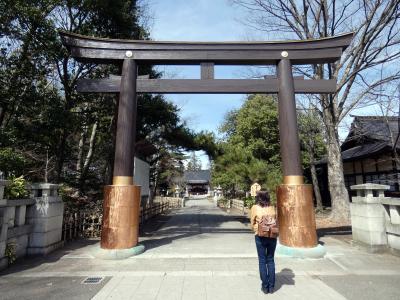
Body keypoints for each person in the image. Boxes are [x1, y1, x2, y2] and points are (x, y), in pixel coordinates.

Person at [250, 190, 278, 294]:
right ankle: (271, 287)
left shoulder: (255, 207)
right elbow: (275, 219)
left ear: (258, 197)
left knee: (262, 261)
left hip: (260, 235)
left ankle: (265, 287)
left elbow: (252, 222)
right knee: (270, 260)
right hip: (272, 235)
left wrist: (255, 229)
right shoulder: (272, 207)